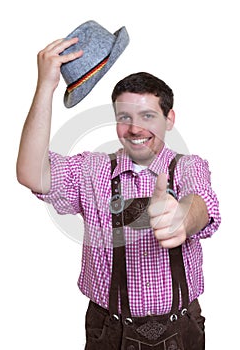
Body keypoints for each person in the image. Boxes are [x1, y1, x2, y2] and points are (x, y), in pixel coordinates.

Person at [16, 37, 221, 349]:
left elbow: (201, 201)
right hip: (109, 331)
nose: (135, 128)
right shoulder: (91, 169)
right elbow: (31, 172)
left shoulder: (188, 167)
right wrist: (46, 86)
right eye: (125, 117)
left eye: (148, 116)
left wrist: (182, 217)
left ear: (169, 119)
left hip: (182, 328)